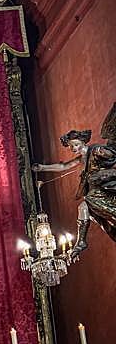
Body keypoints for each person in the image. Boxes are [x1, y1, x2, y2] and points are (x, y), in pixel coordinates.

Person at [32, 104, 116, 259]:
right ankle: (81, 243)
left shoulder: (96, 150)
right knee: (83, 208)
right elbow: (63, 166)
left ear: (83, 142)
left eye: (75, 145)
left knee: (89, 201)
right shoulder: (81, 159)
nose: (73, 148)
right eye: (71, 147)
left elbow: (113, 155)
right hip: (94, 189)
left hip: (106, 186)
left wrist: (103, 173)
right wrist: (42, 167)